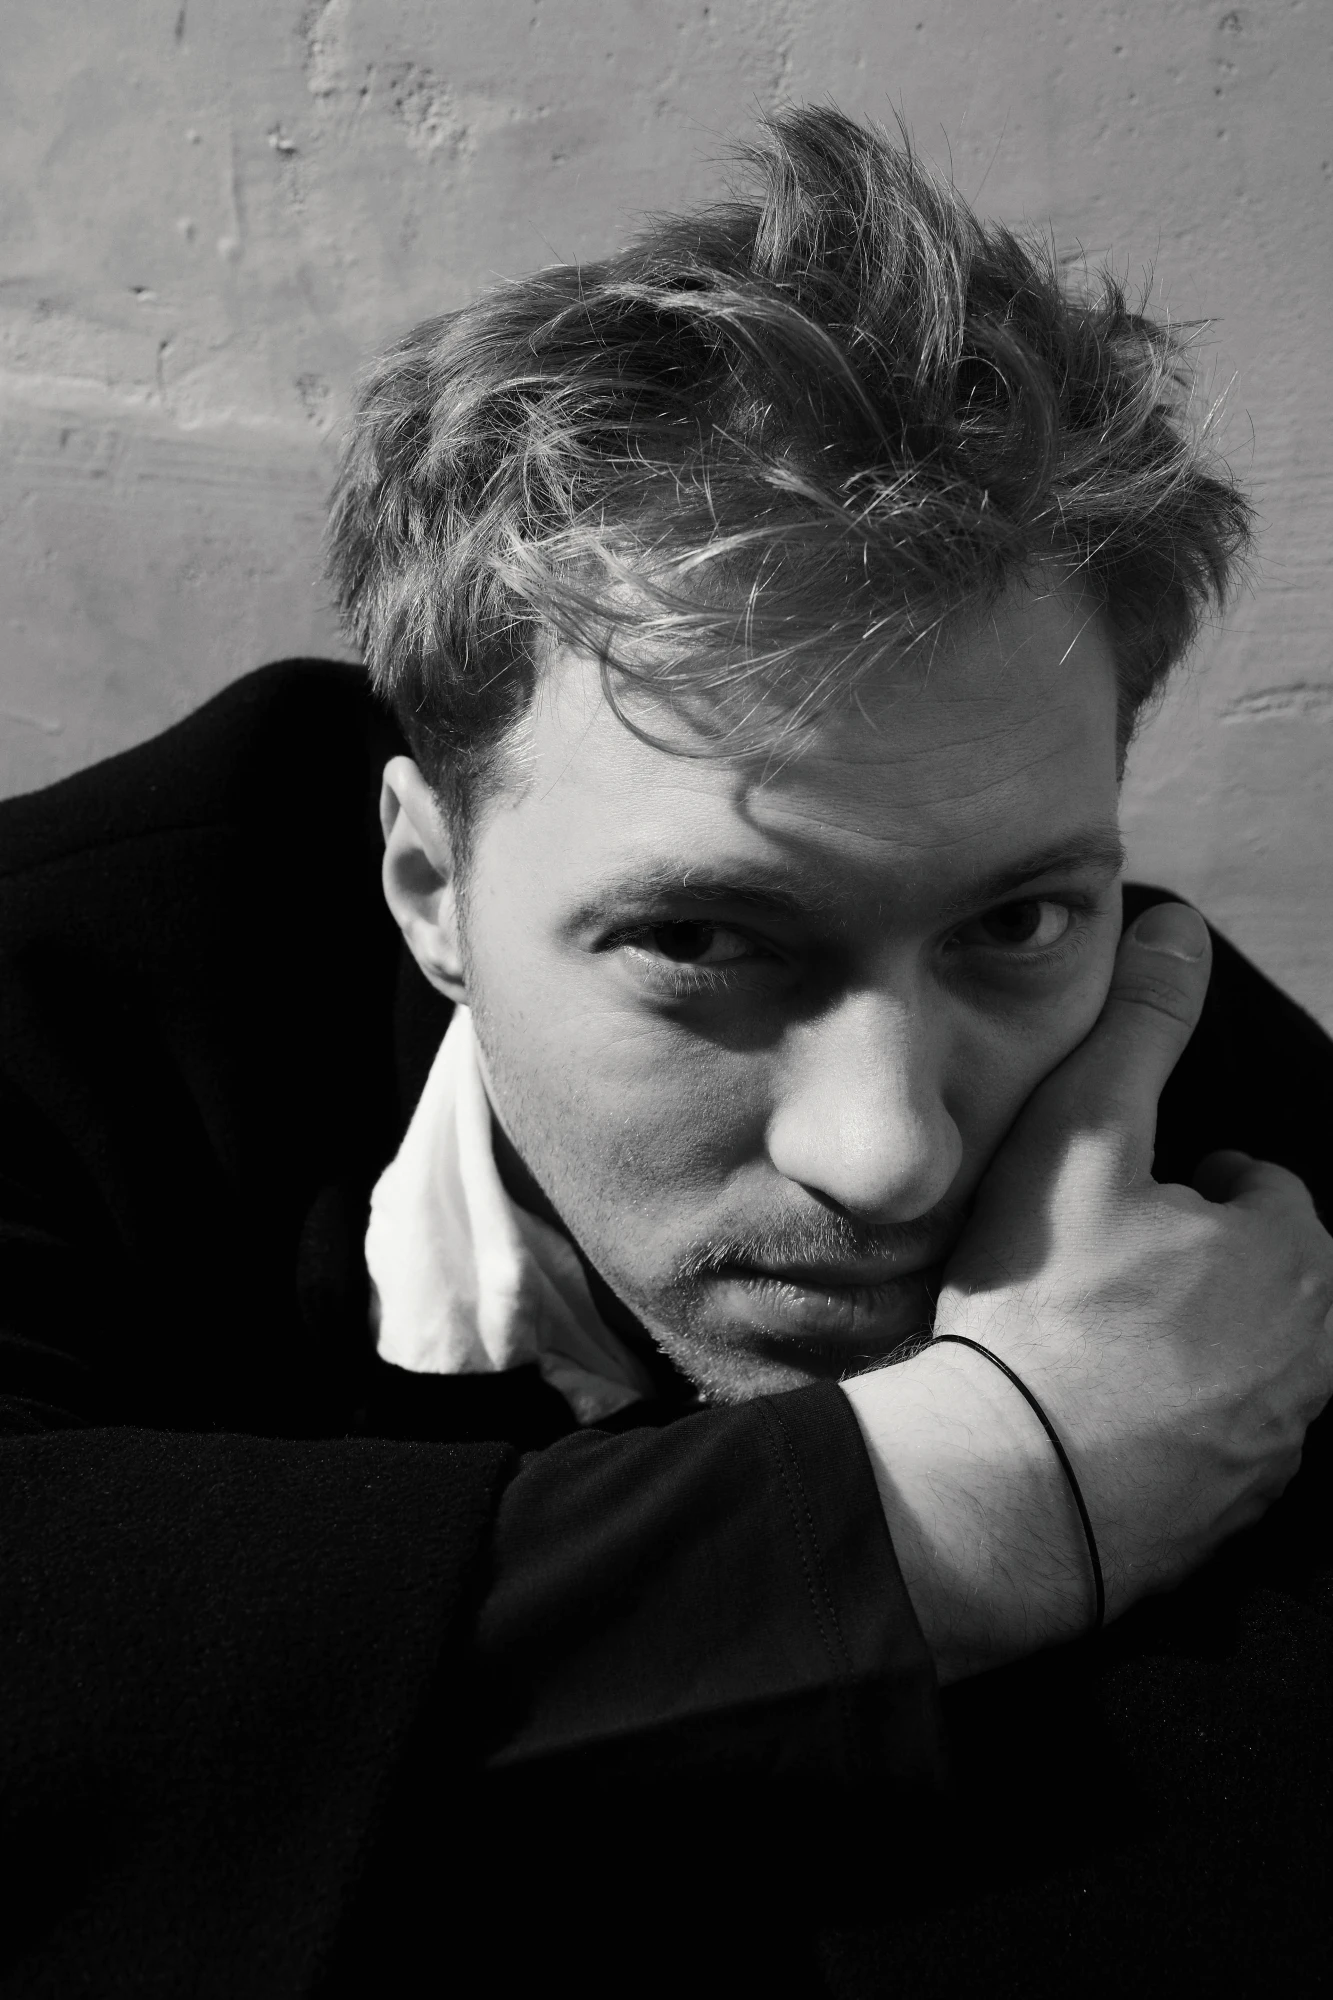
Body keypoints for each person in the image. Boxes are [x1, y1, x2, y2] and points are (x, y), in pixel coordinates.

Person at [1, 105, 1330, 1996]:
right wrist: (973, 1504)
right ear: (429, 885)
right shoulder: (68, 996)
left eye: (1015, 922)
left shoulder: (1221, 1148)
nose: (889, 1153)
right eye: (703, 942)